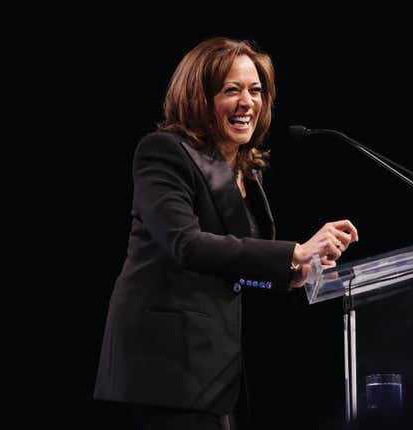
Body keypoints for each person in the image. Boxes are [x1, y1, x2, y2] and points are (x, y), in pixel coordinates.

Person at [94, 36, 359, 430]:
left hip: (217, 370)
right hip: (167, 366)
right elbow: (185, 244)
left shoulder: (246, 171)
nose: (247, 102)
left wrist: (293, 275)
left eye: (255, 90)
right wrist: (293, 252)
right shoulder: (163, 152)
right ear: (199, 98)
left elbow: (238, 265)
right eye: (231, 90)